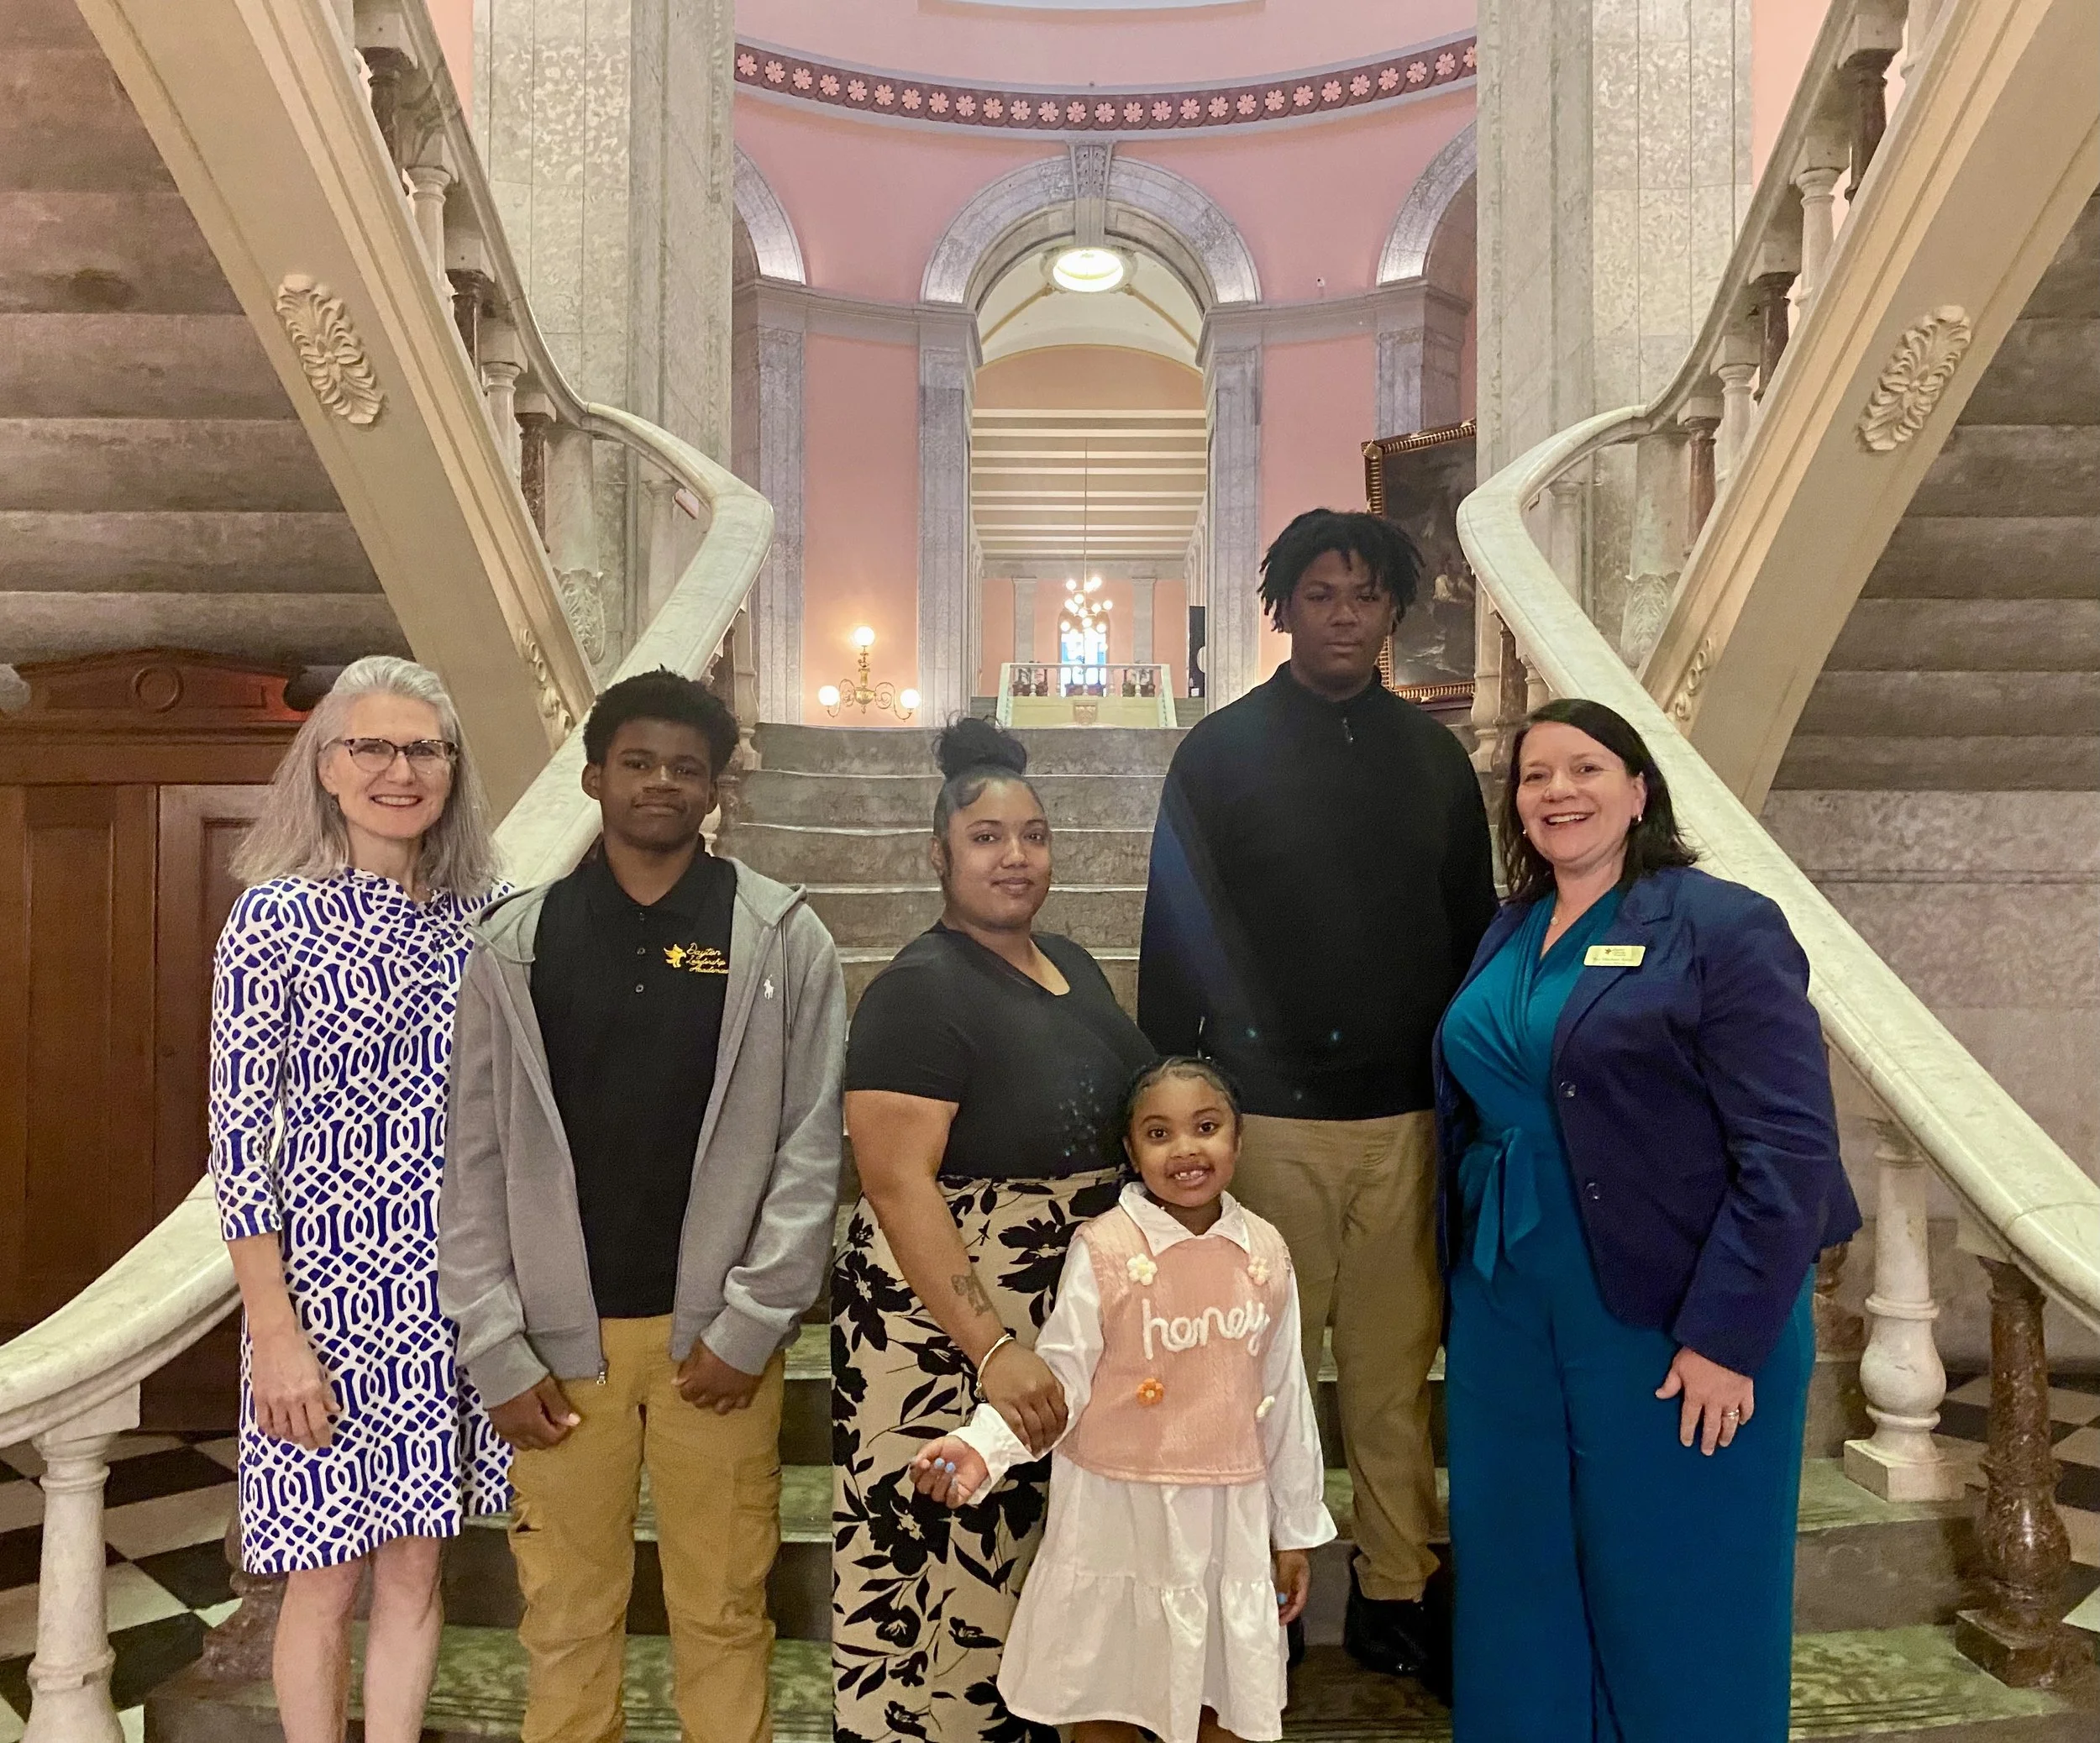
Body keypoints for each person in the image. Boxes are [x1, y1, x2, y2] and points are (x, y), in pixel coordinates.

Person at [1433, 697, 1862, 1740]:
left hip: (1669, 1306)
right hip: (1506, 1304)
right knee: (1519, 1570)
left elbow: (1790, 1147)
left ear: (1638, 790)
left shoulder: (1721, 924)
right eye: (1535, 775)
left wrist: (1726, 1336)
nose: (1558, 791)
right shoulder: (1512, 926)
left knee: (1678, 1582)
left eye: (1585, 767)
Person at [438, 668, 846, 1743]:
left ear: (713, 789)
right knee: (565, 1614)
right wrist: (495, 1343)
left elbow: (810, 1147)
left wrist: (750, 1323)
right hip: (559, 1349)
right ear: (594, 777)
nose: (661, 781)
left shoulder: (778, 937)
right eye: (637, 762)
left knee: (724, 1604)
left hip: (714, 1344)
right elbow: (473, 1156)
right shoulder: (516, 943)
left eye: (685, 767)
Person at [1137, 507, 1497, 1684]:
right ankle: (1261, 1598)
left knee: (1392, 1383)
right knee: (1255, 1380)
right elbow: (1174, 931)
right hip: (1269, 1123)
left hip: (1405, 1123)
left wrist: (1471, 1102)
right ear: (1282, 606)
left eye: (1366, 594)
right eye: (1321, 593)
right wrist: (1172, 1111)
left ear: (1394, 610)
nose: (1345, 614)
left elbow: (1473, 936)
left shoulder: (1434, 760)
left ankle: (1396, 1590)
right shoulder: (1218, 753)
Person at [832, 716, 1158, 1743]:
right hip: (946, 1327)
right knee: (946, 1580)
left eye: (1033, 834)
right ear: (938, 853)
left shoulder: (1070, 962)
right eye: (985, 837)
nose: (1014, 856)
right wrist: (993, 1346)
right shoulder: (915, 991)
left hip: (1060, 1314)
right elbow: (896, 1184)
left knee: (1038, 1576)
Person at [208, 654, 507, 1743]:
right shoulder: (273, 918)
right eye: (370, 746)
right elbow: (238, 1141)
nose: (400, 769)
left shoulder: (491, 917)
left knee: (419, 1568)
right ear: (327, 767)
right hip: (322, 1299)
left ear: (452, 768)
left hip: (451, 1287)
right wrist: (273, 1329)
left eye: (423, 747)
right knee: (324, 1575)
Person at [911, 1057, 1336, 1743]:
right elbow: (1062, 1378)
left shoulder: (1264, 1251)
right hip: (1118, 1515)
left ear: (1239, 1137)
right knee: (1106, 1694)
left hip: (1224, 1520)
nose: (1185, 1149)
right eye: (1159, 1133)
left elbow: (1285, 1396)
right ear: (1133, 1153)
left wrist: (1293, 1532)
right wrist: (982, 1448)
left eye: (1206, 1126)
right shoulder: (1106, 1248)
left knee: (1225, 1698)